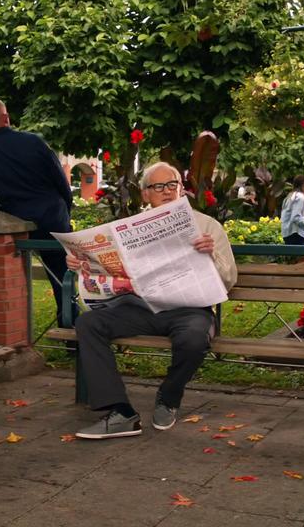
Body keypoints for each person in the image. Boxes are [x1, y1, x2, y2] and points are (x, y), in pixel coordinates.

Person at [70, 162, 237, 439]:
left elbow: (229, 279)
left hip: (189, 311)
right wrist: (79, 262)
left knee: (195, 339)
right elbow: (104, 268)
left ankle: (169, 397)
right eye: (157, 187)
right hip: (140, 308)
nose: (167, 191)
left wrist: (210, 255)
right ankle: (120, 411)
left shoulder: (207, 226)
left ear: (182, 189)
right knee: (89, 323)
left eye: (172, 185)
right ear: (145, 195)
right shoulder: (125, 229)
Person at [0, 98, 74, 321]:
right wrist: (65, 209)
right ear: (7, 118)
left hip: (15, 225)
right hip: (53, 217)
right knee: (61, 277)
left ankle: (19, 333)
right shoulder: (33, 142)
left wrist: (3, 216)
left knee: (14, 280)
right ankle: (71, 330)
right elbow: (61, 182)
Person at [280, 175, 304, 263]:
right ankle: (285, 273)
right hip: (296, 234)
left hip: (288, 234)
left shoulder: (289, 197)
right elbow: (295, 217)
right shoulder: (300, 197)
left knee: (299, 261)